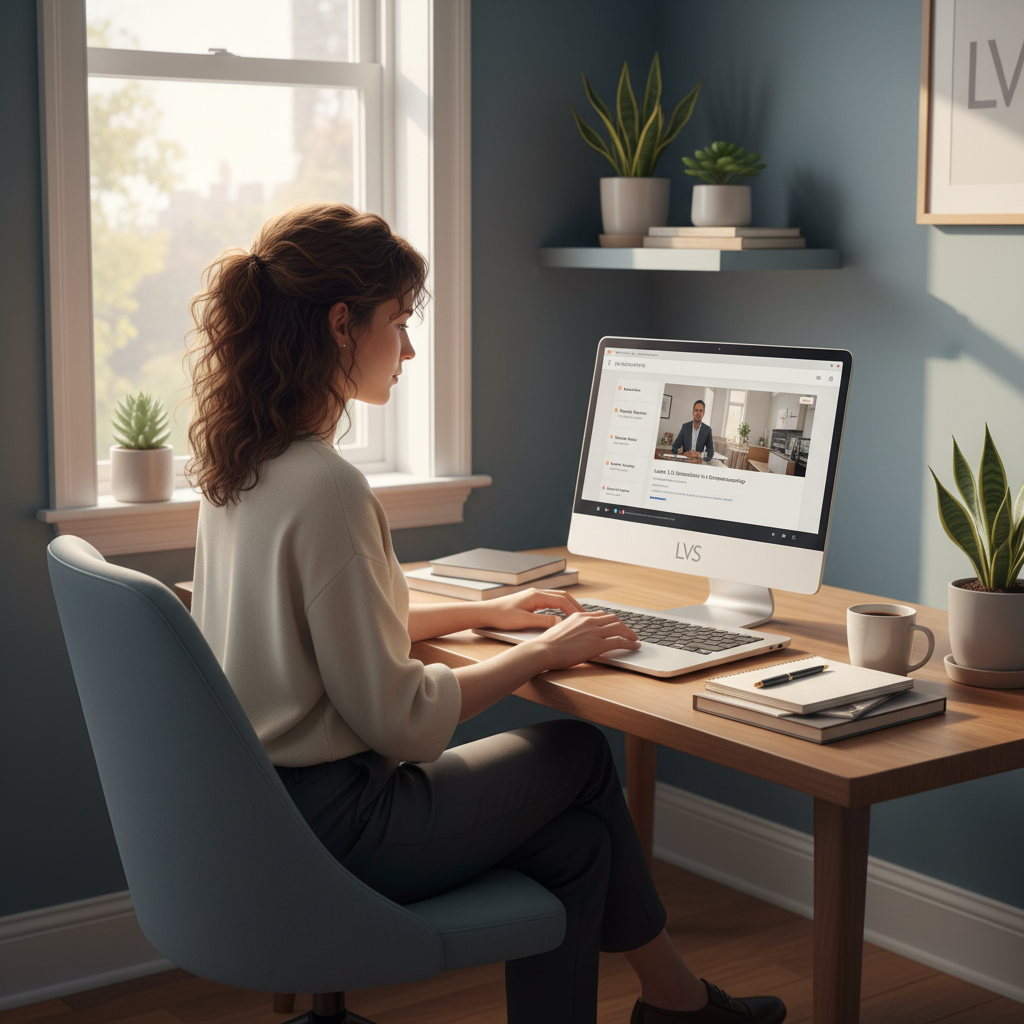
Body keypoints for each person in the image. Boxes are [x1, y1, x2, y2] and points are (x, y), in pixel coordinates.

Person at [186, 202, 785, 1024]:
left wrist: (495, 616)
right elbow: (400, 717)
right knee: (575, 750)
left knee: (578, 849)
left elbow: (324, 638)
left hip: (267, 816)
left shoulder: (245, 468)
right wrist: (547, 650)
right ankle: (682, 1005)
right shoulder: (327, 487)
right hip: (341, 827)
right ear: (339, 324)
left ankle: (675, 1000)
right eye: (396, 322)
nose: (409, 347)